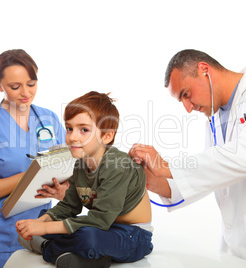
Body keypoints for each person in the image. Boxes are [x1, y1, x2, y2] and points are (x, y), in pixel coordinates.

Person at [129, 49, 246, 268]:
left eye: (186, 94)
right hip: (238, 247)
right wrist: (151, 181)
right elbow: (214, 173)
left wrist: (165, 166)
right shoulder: (216, 117)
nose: (188, 108)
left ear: (204, 70)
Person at [16, 91, 153, 268]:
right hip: (105, 229)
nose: (73, 137)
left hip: (133, 235)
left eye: (84, 130)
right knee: (46, 218)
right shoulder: (80, 164)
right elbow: (69, 206)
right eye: (69, 128)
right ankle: (89, 257)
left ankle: (46, 247)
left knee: (89, 237)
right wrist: (40, 222)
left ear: (107, 136)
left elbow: (99, 221)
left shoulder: (117, 165)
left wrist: (43, 230)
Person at [0, 49, 68, 268]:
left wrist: (62, 190)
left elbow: (67, 171)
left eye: (31, 83)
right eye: (15, 87)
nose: (25, 93)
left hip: (39, 236)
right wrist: (27, 177)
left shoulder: (48, 119)